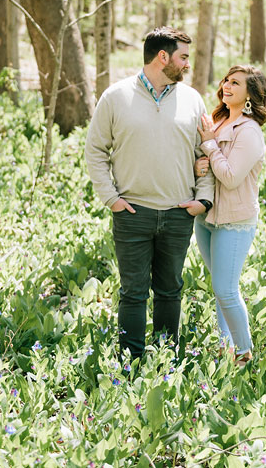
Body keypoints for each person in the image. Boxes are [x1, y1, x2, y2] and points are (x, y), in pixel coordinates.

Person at [85, 27, 214, 362]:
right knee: (133, 294)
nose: (187, 64)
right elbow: (95, 151)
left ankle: (166, 361)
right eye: (183, 57)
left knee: (170, 291)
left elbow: (206, 153)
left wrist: (202, 199)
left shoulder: (193, 99)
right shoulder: (115, 97)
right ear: (163, 57)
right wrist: (111, 198)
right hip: (132, 213)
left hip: (177, 213)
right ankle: (131, 364)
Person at [193, 65, 266, 365]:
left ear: (250, 95)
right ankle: (225, 348)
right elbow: (208, 165)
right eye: (227, 80)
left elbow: (230, 176)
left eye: (236, 83)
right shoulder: (218, 120)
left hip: (235, 222)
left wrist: (210, 147)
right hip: (207, 218)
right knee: (218, 288)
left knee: (227, 290)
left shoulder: (249, 131)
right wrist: (201, 164)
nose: (227, 85)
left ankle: (244, 353)